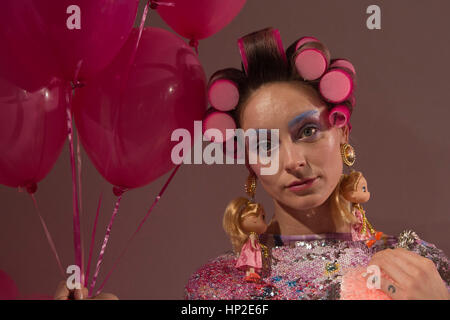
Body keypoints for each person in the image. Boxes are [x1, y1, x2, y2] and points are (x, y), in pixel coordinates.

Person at [184, 27, 449, 300]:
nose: (294, 161)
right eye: (265, 146)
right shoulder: (219, 288)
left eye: (308, 131)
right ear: (251, 164)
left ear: (342, 131)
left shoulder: (414, 268)